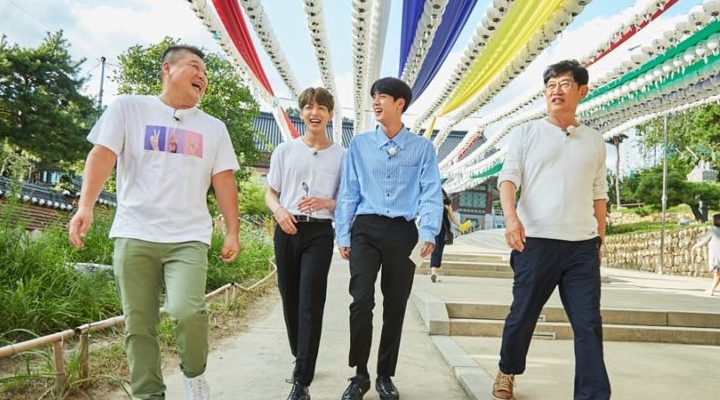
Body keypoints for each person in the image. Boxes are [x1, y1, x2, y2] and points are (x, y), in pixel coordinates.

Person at [68, 45, 240, 400]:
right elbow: (102, 155)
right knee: (139, 324)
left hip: (188, 236)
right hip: (135, 231)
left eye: (205, 73)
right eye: (194, 66)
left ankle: (195, 376)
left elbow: (224, 180)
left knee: (187, 310)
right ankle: (149, 394)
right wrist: (85, 206)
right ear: (167, 68)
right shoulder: (128, 108)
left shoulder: (214, 128)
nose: (202, 76)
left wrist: (232, 231)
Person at [492, 60, 611, 400]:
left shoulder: (594, 140)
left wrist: (600, 238)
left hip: (581, 247)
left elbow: (599, 193)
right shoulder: (527, 133)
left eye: (565, 84)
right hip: (536, 242)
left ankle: (592, 395)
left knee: (588, 324)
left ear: (582, 91)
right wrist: (511, 218)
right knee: (522, 315)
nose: (556, 90)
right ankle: (507, 370)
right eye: (551, 85)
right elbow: (508, 178)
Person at [335, 77, 443, 400]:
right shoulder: (359, 145)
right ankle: (360, 374)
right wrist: (343, 233)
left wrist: (428, 231)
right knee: (361, 301)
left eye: (382, 96)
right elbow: (348, 191)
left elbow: (431, 192)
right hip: (365, 229)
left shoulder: (423, 149)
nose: (376, 102)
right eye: (374, 96)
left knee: (395, 305)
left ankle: (385, 375)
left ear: (400, 104)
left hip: (403, 232)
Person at [264, 87, 346, 400]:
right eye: (310, 107)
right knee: (290, 298)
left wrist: (326, 202)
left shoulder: (341, 156)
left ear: (330, 114)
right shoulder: (285, 151)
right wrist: (279, 211)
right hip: (286, 230)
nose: (315, 113)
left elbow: (347, 200)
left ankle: (301, 381)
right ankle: (301, 353)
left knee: (311, 300)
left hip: (319, 233)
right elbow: (270, 193)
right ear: (301, 113)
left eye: (322, 108)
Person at [429, 188, 462, 282]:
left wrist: (461, 225)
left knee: (438, 250)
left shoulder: (445, 204)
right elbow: (452, 218)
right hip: (437, 229)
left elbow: (452, 218)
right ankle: (433, 272)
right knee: (436, 250)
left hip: (442, 230)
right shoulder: (436, 203)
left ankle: (434, 273)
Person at [692, 213, 720, 296]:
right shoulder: (713, 230)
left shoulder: (712, 231)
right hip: (717, 256)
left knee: (717, 274)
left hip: (716, 256)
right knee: (717, 274)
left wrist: (695, 246)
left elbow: (704, 241)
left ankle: (711, 290)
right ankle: (711, 289)